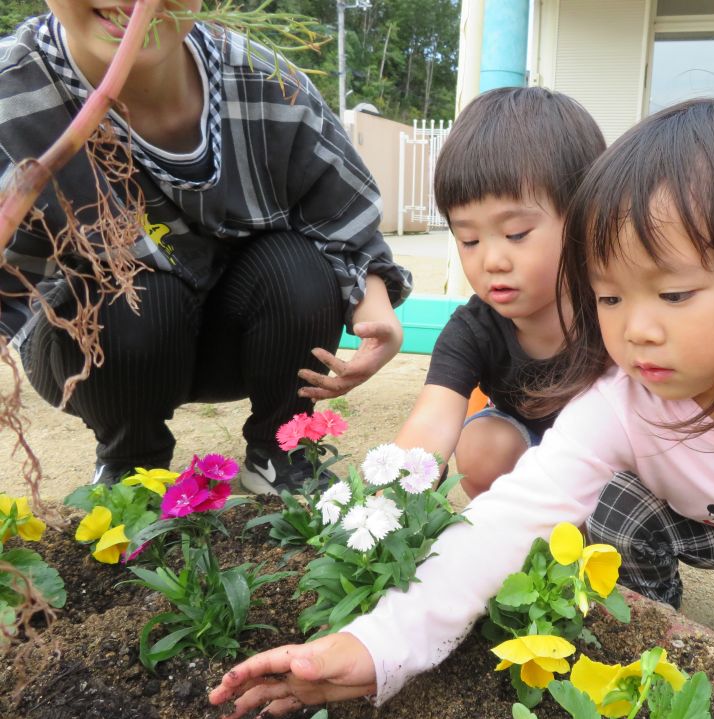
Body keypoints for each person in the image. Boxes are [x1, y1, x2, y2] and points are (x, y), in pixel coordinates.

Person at [209, 98, 714, 719]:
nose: (635, 329)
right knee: (608, 503)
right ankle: (654, 623)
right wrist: (376, 645)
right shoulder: (621, 398)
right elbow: (507, 517)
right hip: (685, 523)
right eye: (610, 296)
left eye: (675, 292)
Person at [0, 1, 412, 493]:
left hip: (237, 341)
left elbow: (345, 221)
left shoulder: (265, 83)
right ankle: (132, 471)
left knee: (299, 268)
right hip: (100, 351)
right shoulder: (13, 92)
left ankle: (280, 448)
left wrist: (377, 312)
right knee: (137, 296)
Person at [299, 86, 605, 499]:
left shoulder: (614, 311)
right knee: (481, 446)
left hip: (605, 454)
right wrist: (380, 508)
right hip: (523, 448)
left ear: (586, 219)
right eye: (469, 240)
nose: (492, 260)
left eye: (516, 234)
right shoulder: (472, 329)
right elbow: (432, 422)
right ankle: (523, 542)